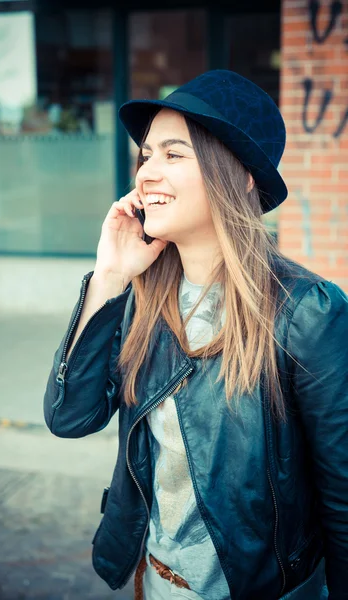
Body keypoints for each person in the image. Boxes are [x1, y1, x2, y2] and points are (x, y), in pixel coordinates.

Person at [43, 70, 348, 599]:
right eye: (146, 155)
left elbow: (343, 501)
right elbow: (70, 417)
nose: (146, 173)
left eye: (173, 154)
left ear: (242, 175)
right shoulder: (142, 299)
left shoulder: (307, 313)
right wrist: (109, 277)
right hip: (152, 583)